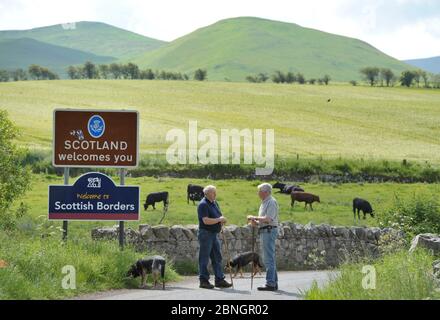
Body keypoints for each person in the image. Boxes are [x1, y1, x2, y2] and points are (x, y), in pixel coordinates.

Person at [197, 185, 233, 289]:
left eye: (215, 192)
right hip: (205, 234)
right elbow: (205, 220)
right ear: (207, 194)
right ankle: (203, 280)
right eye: (213, 193)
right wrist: (219, 220)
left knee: (217, 257)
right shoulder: (203, 204)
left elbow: (218, 216)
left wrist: (222, 220)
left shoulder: (214, 203)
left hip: (214, 234)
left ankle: (219, 280)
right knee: (204, 258)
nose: (215, 194)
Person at [247, 183, 279, 291]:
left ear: (265, 192)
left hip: (269, 231)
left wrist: (254, 217)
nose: (258, 193)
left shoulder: (271, 202)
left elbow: (268, 219)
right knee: (269, 257)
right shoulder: (264, 203)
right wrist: (255, 222)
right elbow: (263, 220)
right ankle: (273, 282)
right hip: (265, 230)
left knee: (268, 258)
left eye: (259, 191)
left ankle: (270, 283)